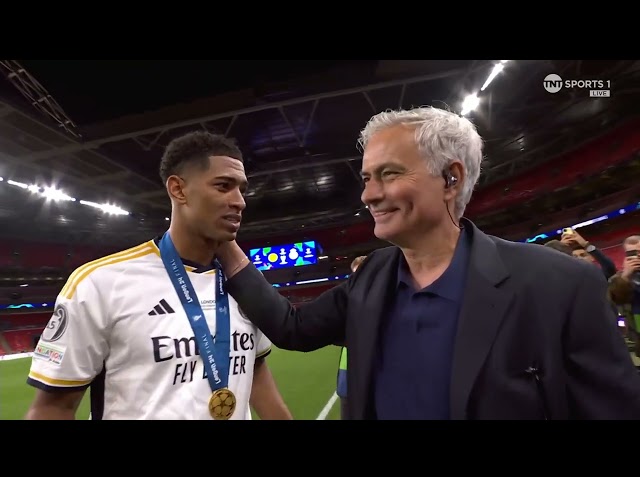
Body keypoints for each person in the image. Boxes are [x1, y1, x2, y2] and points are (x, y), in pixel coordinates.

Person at [215, 106, 640, 420]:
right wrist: (227, 246)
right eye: (367, 178)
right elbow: (294, 328)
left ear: (451, 179)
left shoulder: (558, 284)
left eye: (389, 174)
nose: (369, 195)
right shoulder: (373, 277)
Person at [24, 131, 292, 421]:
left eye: (241, 189)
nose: (239, 201)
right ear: (178, 189)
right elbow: (53, 408)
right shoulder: (100, 283)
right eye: (223, 186)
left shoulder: (245, 284)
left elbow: (256, 371)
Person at [336, 255, 367, 420]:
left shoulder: (384, 298)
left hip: (373, 377)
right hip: (347, 376)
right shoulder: (348, 300)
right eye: (355, 274)